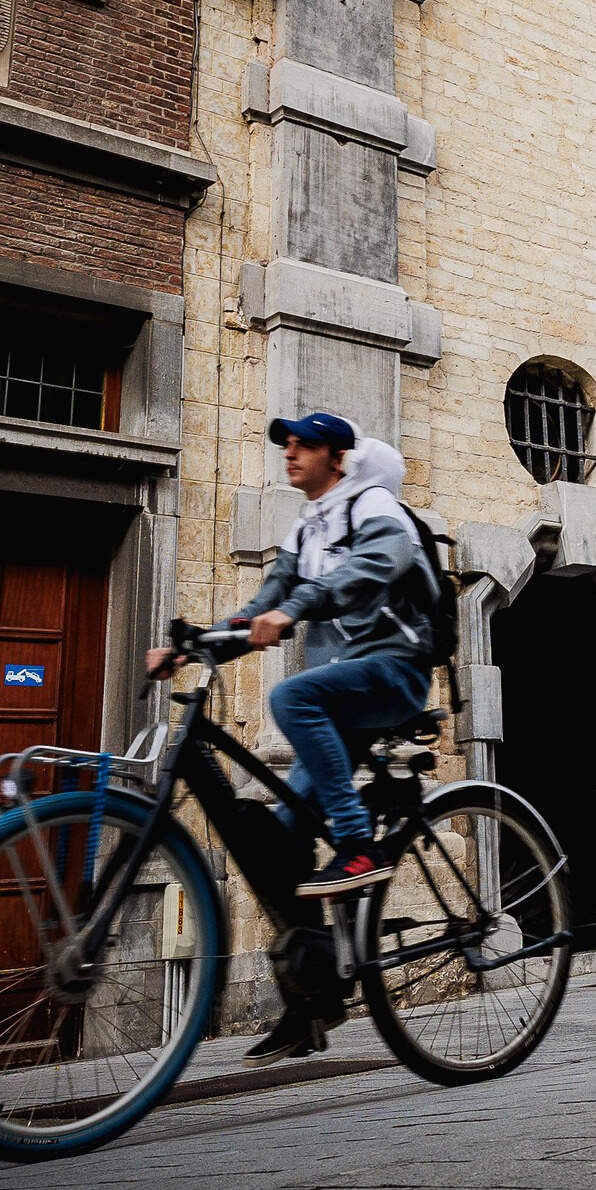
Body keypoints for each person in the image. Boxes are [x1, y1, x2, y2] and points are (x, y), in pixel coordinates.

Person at [163, 411, 437, 1063]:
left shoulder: (374, 506)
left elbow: (379, 564)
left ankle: (355, 844)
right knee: (282, 839)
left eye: (305, 444)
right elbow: (266, 603)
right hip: (343, 691)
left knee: (290, 694)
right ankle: (312, 1003)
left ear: (337, 457)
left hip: (395, 669)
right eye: (286, 443)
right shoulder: (305, 527)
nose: (290, 452)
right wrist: (198, 643)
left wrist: (299, 608)